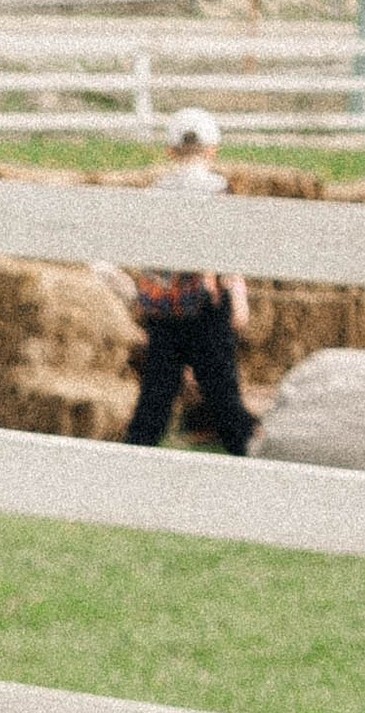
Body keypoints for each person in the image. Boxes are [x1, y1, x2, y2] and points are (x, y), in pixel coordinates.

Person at [96, 106, 258, 456]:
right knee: (223, 396)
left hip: (165, 311)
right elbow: (228, 253)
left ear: (170, 151)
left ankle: (131, 463)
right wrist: (239, 298)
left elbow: (141, 251)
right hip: (207, 307)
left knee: (154, 399)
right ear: (213, 150)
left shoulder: (155, 193)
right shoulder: (220, 191)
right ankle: (252, 458)